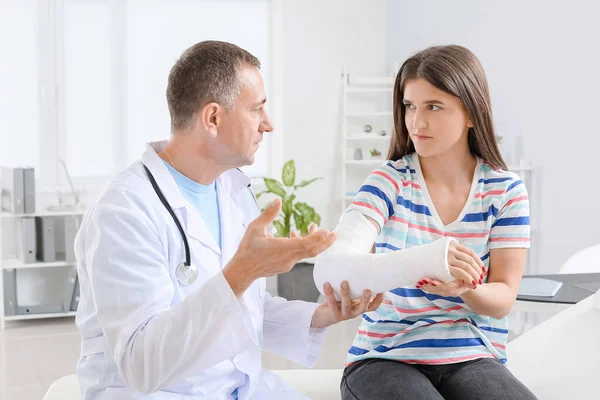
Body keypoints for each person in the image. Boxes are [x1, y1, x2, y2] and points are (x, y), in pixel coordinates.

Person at [74, 40, 384, 400]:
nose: (268, 125)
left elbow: (243, 310)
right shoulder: (124, 210)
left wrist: (322, 315)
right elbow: (141, 363)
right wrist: (241, 273)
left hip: (242, 388)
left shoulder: (232, 191)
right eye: (257, 110)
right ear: (213, 119)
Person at [329, 45, 537, 399]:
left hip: (471, 354)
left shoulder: (505, 191)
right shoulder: (388, 182)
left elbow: (503, 296)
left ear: (471, 114)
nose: (416, 122)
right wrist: (426, 260)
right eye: (410, 106)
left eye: (434, 107)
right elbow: (338, 261)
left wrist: (466, 288)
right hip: (385, 355)